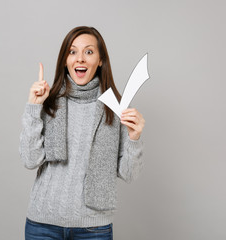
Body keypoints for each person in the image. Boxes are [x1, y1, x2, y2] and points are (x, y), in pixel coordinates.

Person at [19, 26, 145, 240]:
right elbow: (30, 160)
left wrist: (134, 138)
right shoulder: (49, 102)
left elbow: (129, 174)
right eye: (72, 51)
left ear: (101, 60)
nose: (80, 59)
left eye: (88, 52)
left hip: (93, 229)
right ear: (65, 60)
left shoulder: (116, 108)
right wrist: (33, 107)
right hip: (43, 225)